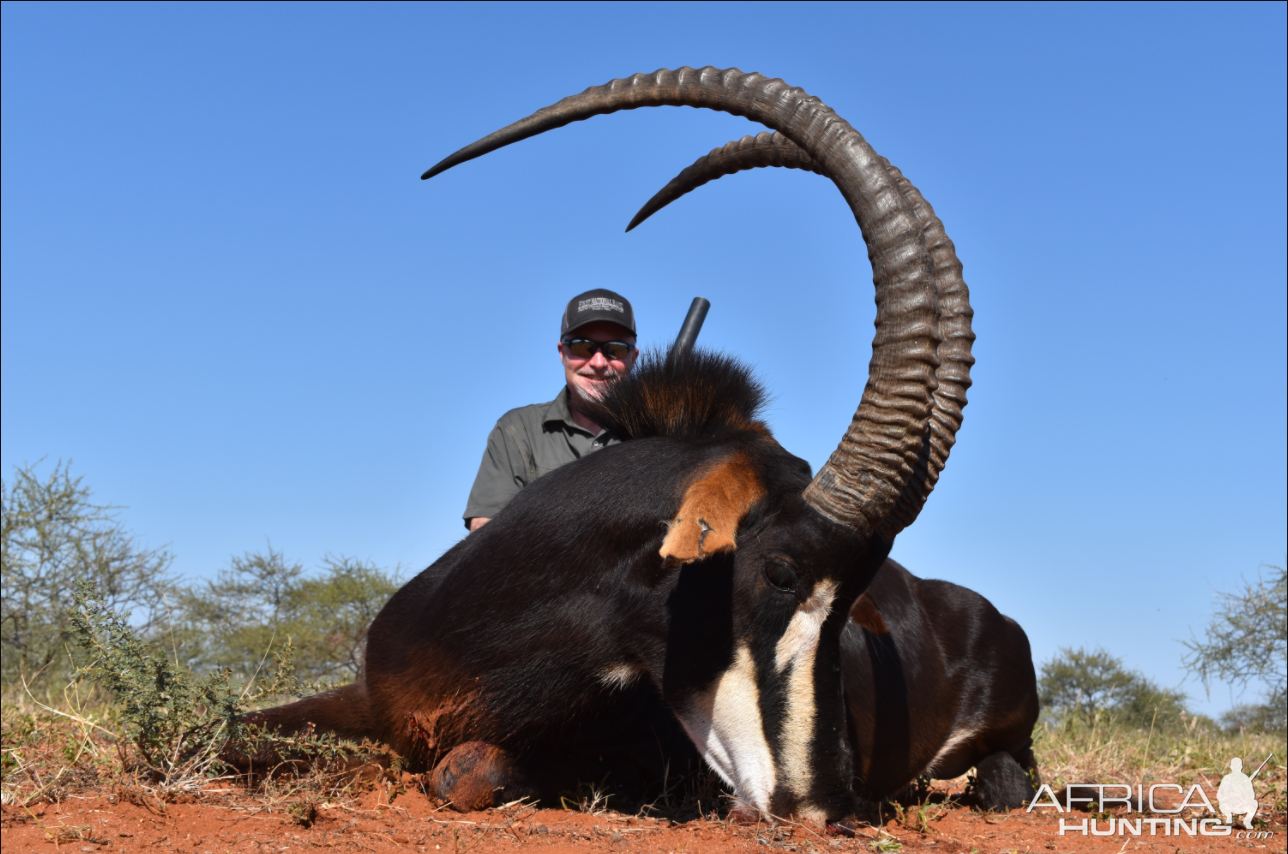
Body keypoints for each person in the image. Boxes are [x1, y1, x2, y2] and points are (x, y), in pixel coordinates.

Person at [462, 288, 639, 531]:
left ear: (633, 358)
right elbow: (484, 536)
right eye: (581, 347)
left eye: (616, 349)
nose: (598, 362)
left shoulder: (661, 434)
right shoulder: (517, 430)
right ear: (562, 353)